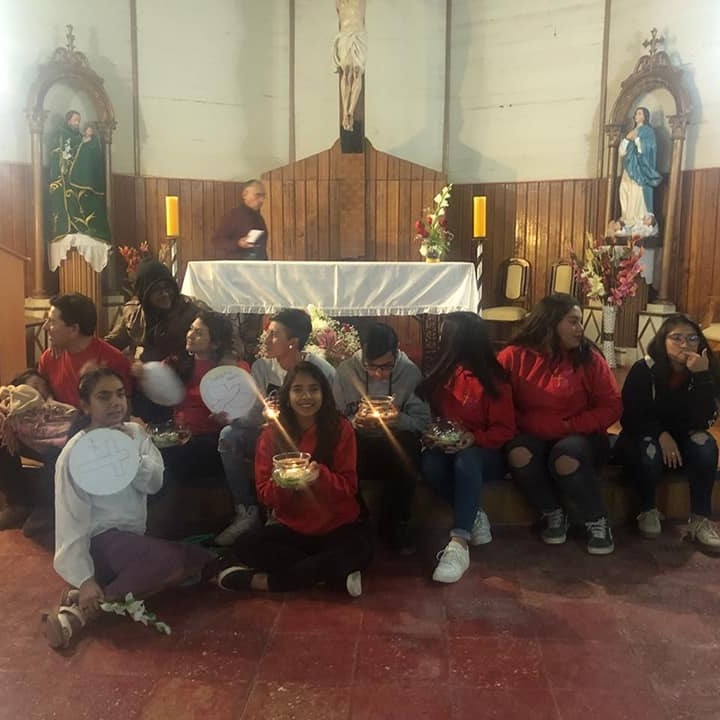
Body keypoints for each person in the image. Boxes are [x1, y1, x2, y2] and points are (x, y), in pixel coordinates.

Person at [42, 367, 214, 649]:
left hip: (131, 540)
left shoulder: (135, 433)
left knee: (200, 563)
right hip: (99, 542)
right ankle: (82, 611)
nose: (115, 403)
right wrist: (84, 578)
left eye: (120, 394)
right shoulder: (76, 453)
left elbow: (154, 483)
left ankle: (91, 597)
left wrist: (128, 450)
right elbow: (70, 519)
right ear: (85, 405)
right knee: (169, 564)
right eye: (104, 397)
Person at [216, 361, 373, 597]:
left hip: (338, 526)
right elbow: (265, 494)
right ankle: (329, 577)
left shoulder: (340, 428)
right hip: (292, 528)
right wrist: (284, 483)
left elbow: (349, 487)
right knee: (245, 545)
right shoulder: (271, 434)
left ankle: (263, 582)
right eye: (298, 390)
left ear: (324, 393)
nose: (306, 396)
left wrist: (320, 476)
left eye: (314, 389)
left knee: (361, 549)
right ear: (287, 396)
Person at [498, 293, 622, 555]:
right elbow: (500, 403)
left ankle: (597, 519)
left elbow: (612, 406)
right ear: (550, 323)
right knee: (518, 454)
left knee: (565, 457)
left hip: (580, 435)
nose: (580, 329)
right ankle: (553, 512)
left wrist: (570, 426)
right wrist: (531, 424)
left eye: (580, 322)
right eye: (573, 322)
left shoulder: (589, 358)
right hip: (533, 432)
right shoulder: (513, 356)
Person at [0, 294, 133, 533]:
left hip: (90, 434)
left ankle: (52, 513)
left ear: (73, 329)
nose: (46, 327)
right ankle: (18, 502)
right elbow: (38, 398)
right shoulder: (50, 357)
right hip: (50, 429)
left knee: (62, 446)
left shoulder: (111, 359)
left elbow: (122, 409)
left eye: (52, 322)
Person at [417, 313, 516, 583]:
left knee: (467, 460)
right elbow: (434, 418)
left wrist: (474, 438)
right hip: (449, 450)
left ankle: (458, 542)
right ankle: (474, 514)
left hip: (487, 454)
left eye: (444, 335)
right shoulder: (442, 375)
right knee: (430, 464)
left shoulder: (493, 380)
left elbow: (505, 429)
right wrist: (433, 436)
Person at [616, 314, 720, 548]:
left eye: (692, 338)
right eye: (677, 338)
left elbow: (704, 420)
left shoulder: (705, 368)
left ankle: (700, 519)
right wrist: (661, 434)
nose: (685, 344)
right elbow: (631, 417)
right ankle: (648, 509)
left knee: (705, 446)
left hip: (683, 438)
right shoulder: (644, 369)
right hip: (644, 436)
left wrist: (702, 377)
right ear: (663, 340)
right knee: (649, 450)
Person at [159, 312, 259, 542]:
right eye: (191, 329)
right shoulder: (177, 363)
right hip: (179, 434)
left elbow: (245, 409)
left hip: (212, 438)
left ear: (215, 342)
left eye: (199, 332)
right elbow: (156, 385)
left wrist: (230, 417)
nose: (190, 335)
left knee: (175, 456)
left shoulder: (233, 370)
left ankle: (181, 525)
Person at [333, 323, 429, 554]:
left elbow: (423, 423)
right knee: (335, 447)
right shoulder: (346, 371)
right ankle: (358, 518)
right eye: (371, 366)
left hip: (394, 445)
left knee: (408, 447)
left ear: (396, 352)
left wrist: (398, 420)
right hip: (359, 443)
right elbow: (334, 418)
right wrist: (355, 422)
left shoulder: (409, 373)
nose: (378, 374)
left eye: (386, 367)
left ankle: (393, 525)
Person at [105, 258, 210, 422]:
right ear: (144, 293)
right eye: (157, 290)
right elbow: (112, 344)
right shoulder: (133, 312)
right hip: (145, 383)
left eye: (168, 287)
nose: (165, 294)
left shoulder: (192, 309)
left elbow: (225, 336)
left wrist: (228, 356)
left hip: (184, 381)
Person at [48, 110, 110, 243]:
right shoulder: (61, 135)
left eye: (79, 121)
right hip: (65, 178)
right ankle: (70, 227)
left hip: (78, 178)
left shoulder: (80, 137)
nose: (77, 123)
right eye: (75, 120)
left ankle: (90, 227)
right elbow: (57, 154)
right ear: (68, 120)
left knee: (85, 196)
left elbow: (83, 151)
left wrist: (89, 141)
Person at [252, 309, 336, 396]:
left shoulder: (324, 371)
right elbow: (256, 403)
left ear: (293, 342)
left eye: (274, 335)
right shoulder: (261, 368)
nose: (266, 340)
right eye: (268, 333)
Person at [618, 107, 663, 227]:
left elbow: (649, 148)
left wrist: (637, 140)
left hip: (640, 168)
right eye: (636, 114)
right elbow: (622, 152)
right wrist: (627, 139)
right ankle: (627, 218)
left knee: (637, 193)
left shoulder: (648, 131)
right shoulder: (632, 131)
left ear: (644, 116)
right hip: (629, 167)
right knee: (624, 189)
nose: (636, 116)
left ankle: (637, 221)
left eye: (639, 113)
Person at [212, 180, 268, 260]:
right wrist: (238, 243)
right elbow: (217, 241)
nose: (262, 200)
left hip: (259, 263)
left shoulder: (259, 217)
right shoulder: (233, 215)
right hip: (237, 264)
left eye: (263, 196)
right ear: (245, 194)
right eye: (258, 195)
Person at [333, 0, 367, 132]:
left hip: (359, 35)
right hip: (345, 35)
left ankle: (351, 112)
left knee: (357, 72)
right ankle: (345, 113)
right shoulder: (339, 2)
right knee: (346, 73)